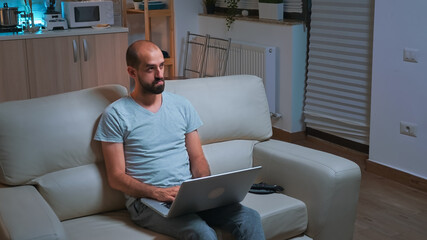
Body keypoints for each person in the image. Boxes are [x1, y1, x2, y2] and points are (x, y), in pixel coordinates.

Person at [94, 40, 265, 240]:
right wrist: (157, 193)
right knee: (202, 233)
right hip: (147, 202)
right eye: (150, 69)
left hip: (188, 196)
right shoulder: (115, 115)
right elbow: (116, 177)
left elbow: (197, 157)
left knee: (249, 218)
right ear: (132, 72)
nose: (159, 75)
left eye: (161, 66)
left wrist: (203, 189)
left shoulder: (181, 105)